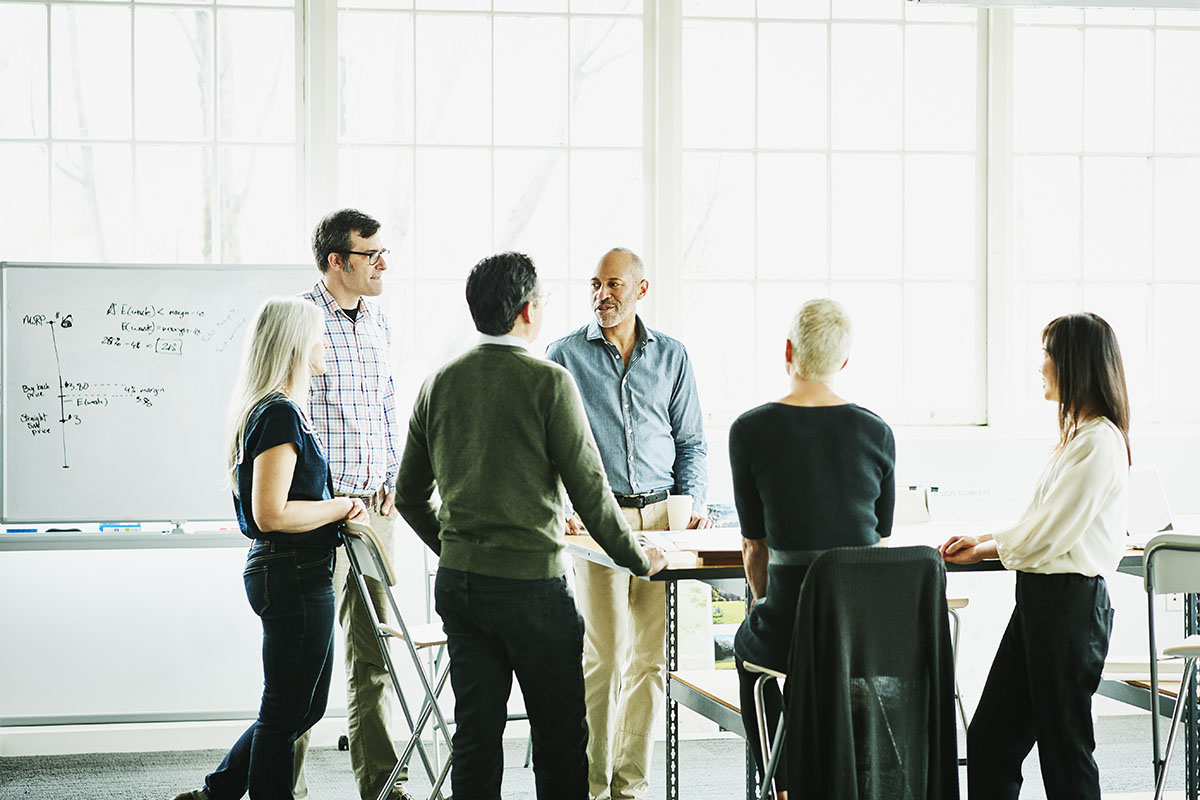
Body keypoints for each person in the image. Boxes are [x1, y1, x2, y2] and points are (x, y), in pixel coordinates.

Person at [394, 251, 668, 800]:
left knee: (474, 736)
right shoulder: (550, 382)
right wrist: (640, 557)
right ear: (527, 311)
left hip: (462, 587)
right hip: (532, 592)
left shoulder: (436, 384)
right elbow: (591, 493)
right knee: (560, 738)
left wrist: (455, 549)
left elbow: (408, 497)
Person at [174, 297, 367, 800]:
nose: (326, 344)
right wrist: (341, 506)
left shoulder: (276, 410)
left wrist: (333, 506)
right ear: (297, 343)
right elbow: (271, 514)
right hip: (293, 573)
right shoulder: (279, 413)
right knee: (285, 711)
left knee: (299, 707)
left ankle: (216, 793)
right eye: (320, 335)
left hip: (294, 573)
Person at [940, 311, 1130, 800]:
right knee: (991, 742)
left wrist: (988, 545)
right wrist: (983, 540)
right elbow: (1040, 524)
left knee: (1064, 753)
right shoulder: (1077, 439)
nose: (1040, 366)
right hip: (1043, 603)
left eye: (1046, 355)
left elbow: (1048, 533)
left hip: (1069, 605)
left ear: (1073, 363)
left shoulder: (1100, 442)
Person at [545, 246, 708, 800]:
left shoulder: (673, 356)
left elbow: (691, 443)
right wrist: (563, 503)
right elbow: (548, 442)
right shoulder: (564, 353)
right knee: (606, 655)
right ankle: (589, 786)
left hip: (664, 518)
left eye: (614, 283)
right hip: (598, 518)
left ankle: (628, 784)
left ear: (641, 289)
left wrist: (696, 502)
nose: (602, 294)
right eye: (595, 284)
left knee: (652, 659)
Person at [728, 298, 895, 799]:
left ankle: (779, 783)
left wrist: (761, 601)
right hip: (859, 632)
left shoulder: (749, 430)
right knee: (833, 665)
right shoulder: (877, 431)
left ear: (788, 350)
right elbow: (877, 545)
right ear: (843, 362)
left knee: (746, 647)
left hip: (789, 630)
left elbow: (755, 548)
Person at [294, 209, 409, 800]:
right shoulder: (299, 320)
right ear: (337, 261)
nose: (384, 264)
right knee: (305, 660)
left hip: (373, 512)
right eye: (372, 255)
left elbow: (389, 406)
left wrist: (392, 475)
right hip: (315, 514)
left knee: (375, 654)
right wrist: (323, 499)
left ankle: (384, 788)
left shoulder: (381, 323)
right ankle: (283, 788)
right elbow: (287, 417)